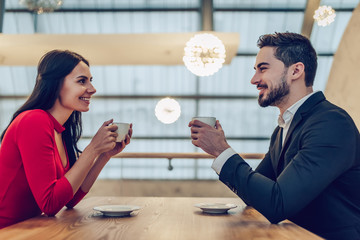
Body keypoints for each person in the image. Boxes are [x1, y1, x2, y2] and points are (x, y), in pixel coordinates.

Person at [189, 32, 360, 240]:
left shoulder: (331, 124)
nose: (254, 80)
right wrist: (221, 150)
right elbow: (258, 197)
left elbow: (277, 204)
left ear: (296, 71)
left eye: (263, 69)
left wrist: (222, 151)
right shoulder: (282, 128)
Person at [0, 50, 132, 229]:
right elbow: (50, 205)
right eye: (81, 81)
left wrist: (104, 155)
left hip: (26, 229)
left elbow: (69, 198)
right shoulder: (34, 121)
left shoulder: (59, 130)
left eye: (90, 81)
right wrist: (92, 149)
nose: (92, 89)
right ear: (56, 83)